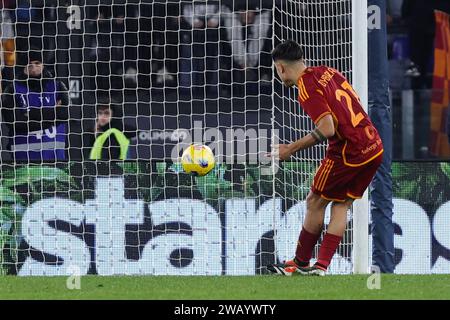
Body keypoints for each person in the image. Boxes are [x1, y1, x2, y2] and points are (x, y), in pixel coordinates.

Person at [266, 40, 384, 276]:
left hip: (349, 151)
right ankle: (320, 267)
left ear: (280, 68)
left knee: (315, 201)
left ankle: (299, 263)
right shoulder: (329, 71)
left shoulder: (306, 88)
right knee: (342, 204)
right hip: (374, 146)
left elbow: (328, 128)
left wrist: (291, 148)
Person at [1, 49, 69, 161]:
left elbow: (65, 114)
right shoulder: (12, 89)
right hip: (23, 159)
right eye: (29, 64)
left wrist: (30, 114)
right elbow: (15, 122)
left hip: (55, 158)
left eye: (37, 63)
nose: (33, 68)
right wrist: (52, 115)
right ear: (23, 67)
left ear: (43, 65)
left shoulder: (58, 86)